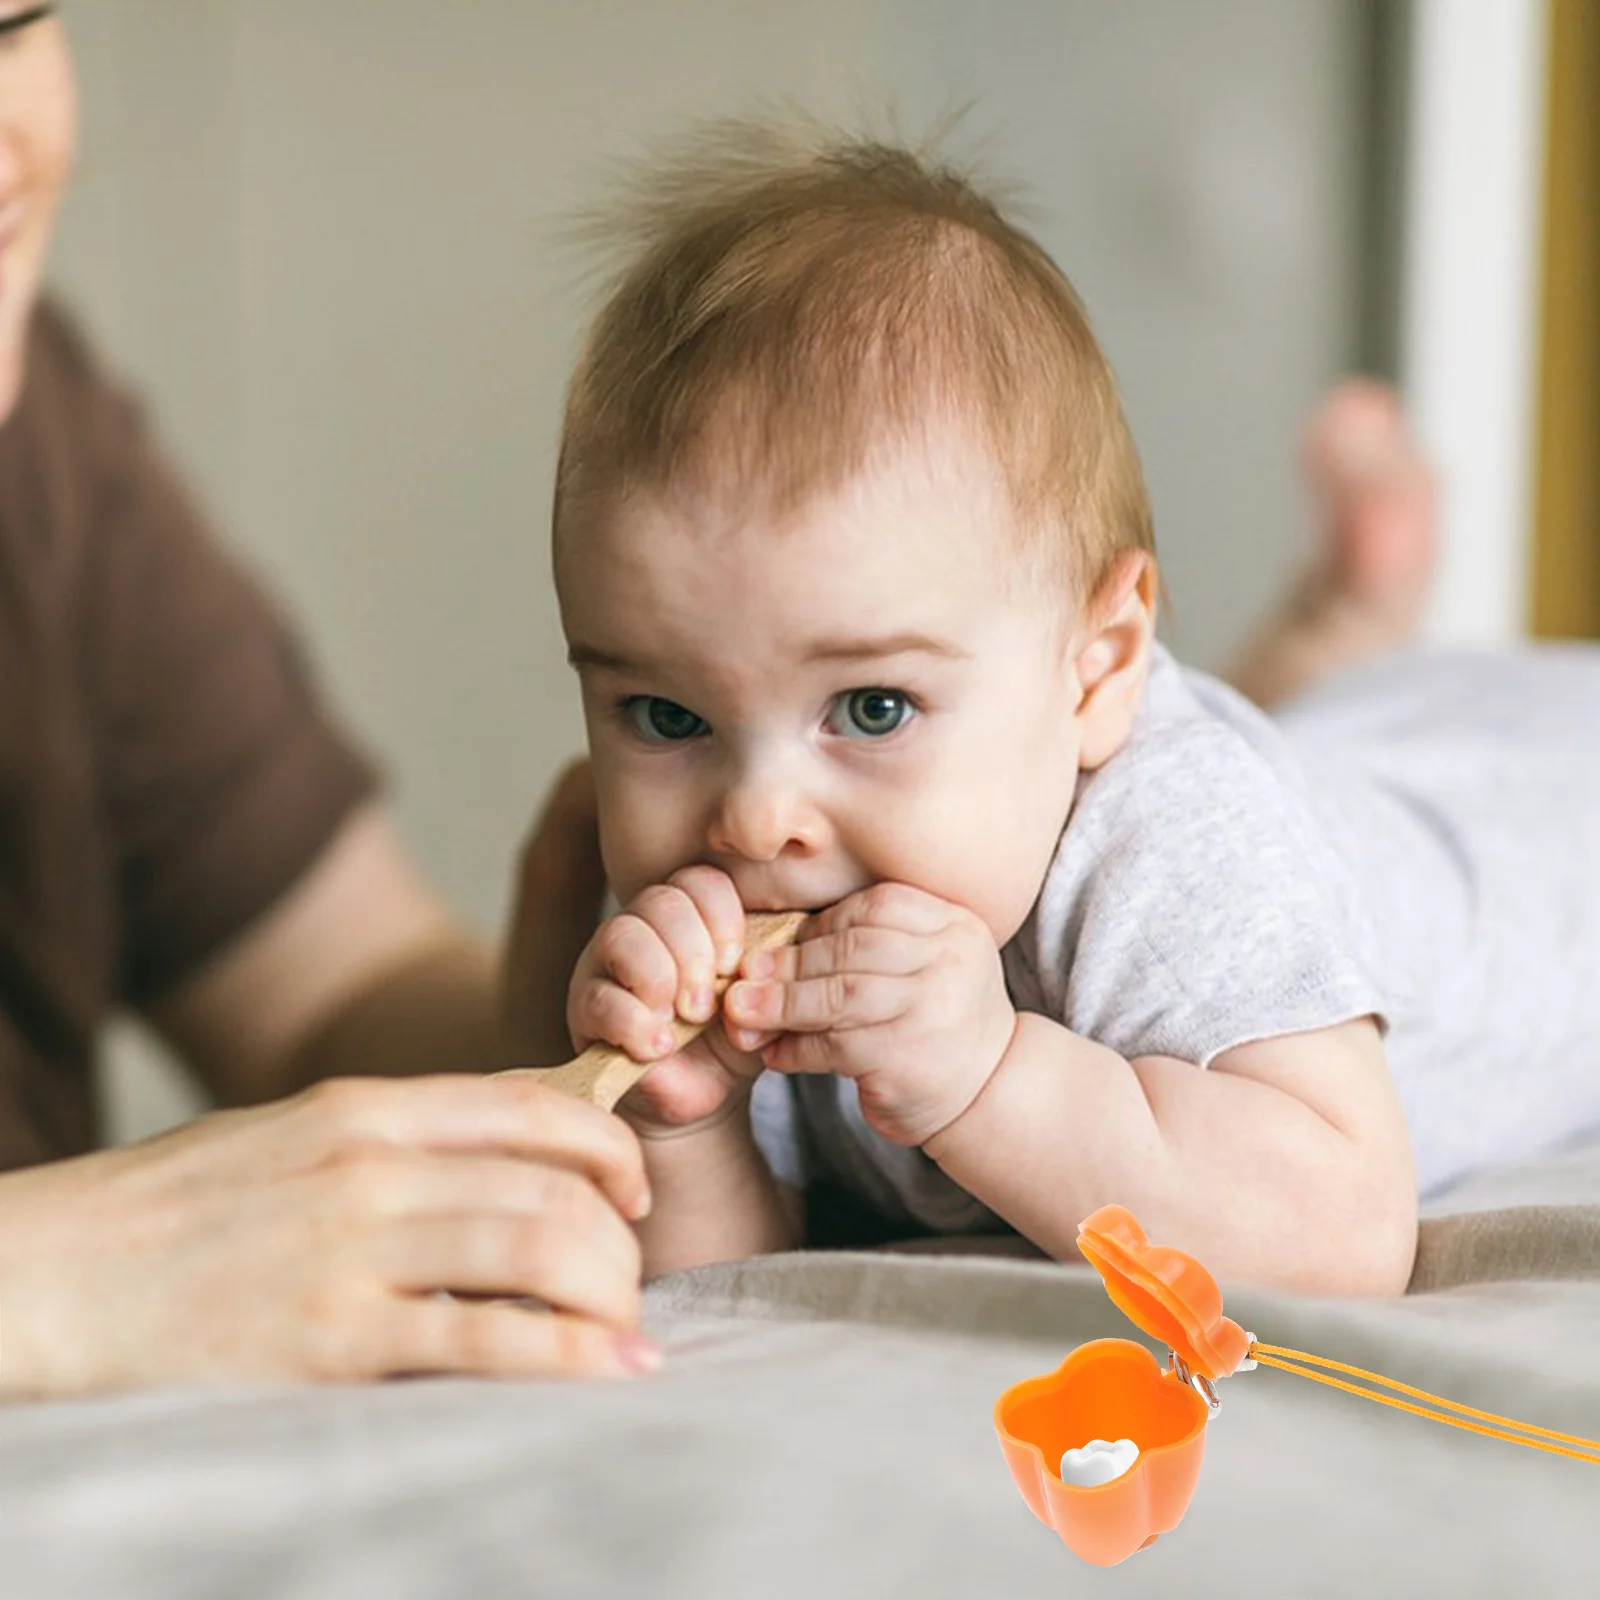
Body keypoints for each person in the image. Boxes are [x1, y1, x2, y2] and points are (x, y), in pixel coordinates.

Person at [554, 124, 1600, 1297]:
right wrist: (684, 1132)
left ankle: (1342, 626)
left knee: (1279, 762)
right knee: (1293, 739)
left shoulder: (1175, 846)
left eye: (874, 705)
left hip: (1543, 826)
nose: (752, 818)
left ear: (1096, 668)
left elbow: (1344, 1237)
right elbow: (731, 1289)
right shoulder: (713, 900)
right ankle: (1338, 626)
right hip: (1326, 756)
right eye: (665, 717)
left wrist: (989, 1074)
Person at [0, 1, 656, 1397]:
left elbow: (324, 994)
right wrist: (66, 1269)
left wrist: (570, 1024)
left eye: (9, 29)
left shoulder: (37, 435)